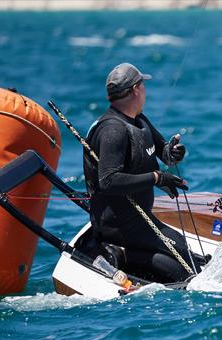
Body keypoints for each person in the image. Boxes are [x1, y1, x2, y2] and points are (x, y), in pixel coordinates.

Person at [83, 62, 200, 282]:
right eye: (143, 85)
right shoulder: (113, 130)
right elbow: (108, 180)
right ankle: (117, 254)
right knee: (184, 272)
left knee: (186, 251)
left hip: (140, 220)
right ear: (136, 89)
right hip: (118, 227)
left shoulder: (139, 120)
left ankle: (132, 255)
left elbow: (161, 150)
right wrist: (156, 177)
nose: (145, 90)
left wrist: (172, 153)